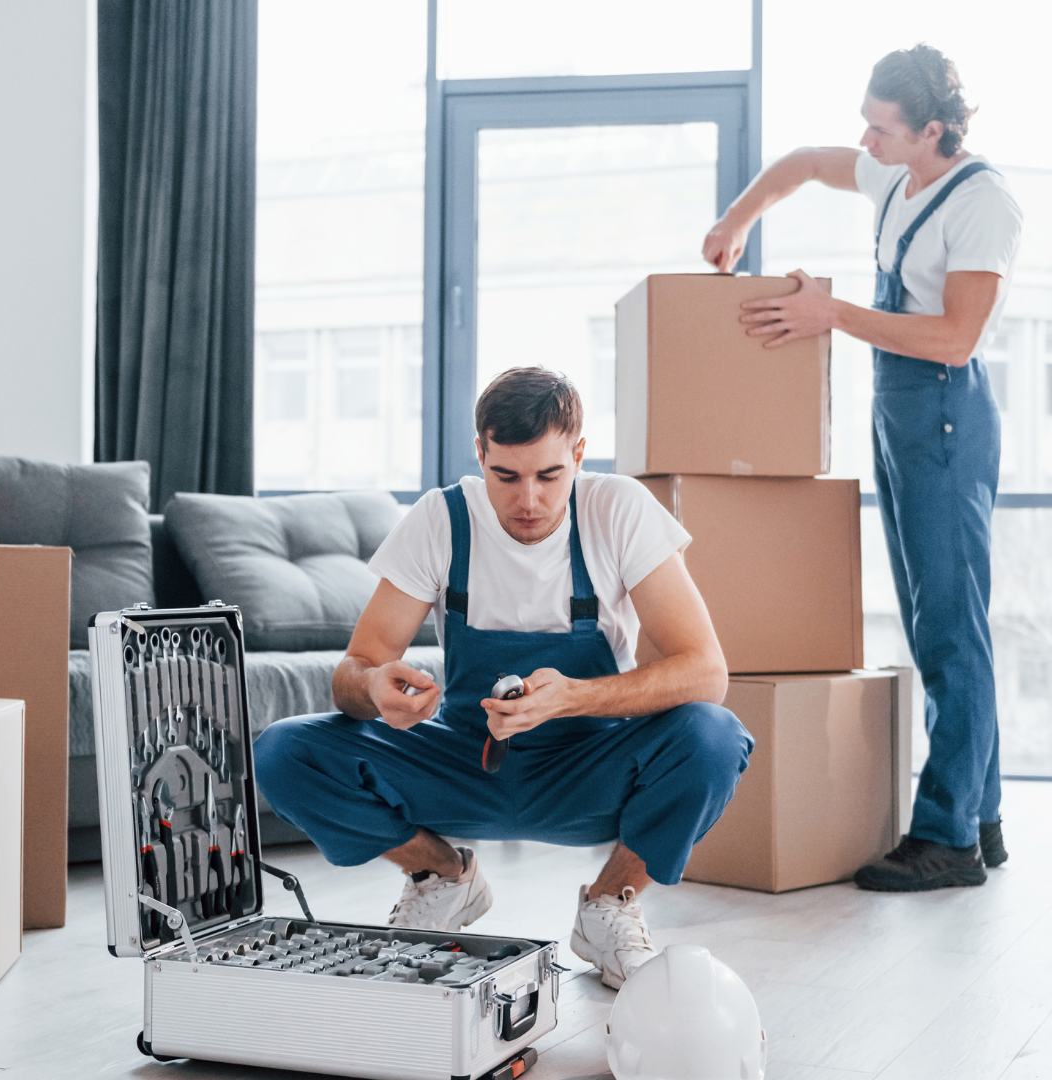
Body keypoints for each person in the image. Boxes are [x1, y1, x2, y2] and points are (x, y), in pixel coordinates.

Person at [254, 367, 753, 988]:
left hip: (588, 767)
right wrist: (377, 688)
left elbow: (707, 670)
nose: (528, 501)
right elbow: (353, 672)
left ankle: (608, 904)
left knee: (712, 737)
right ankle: (441, 877)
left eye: (549, 476)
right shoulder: (440, 519)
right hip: (465, 761)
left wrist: (576, 697)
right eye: (505, 476)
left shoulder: (618, 510)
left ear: (578, 454)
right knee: (283, 752)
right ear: (479, 454)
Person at [702, 44, 1022, 891]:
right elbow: (805, 164)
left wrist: (828, 312)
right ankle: (981, 815)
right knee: (933, 623)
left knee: (953, 628)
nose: (865, 140)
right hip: (898, 410)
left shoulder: (983, 203)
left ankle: (947, 837)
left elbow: (956, 337)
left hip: (947, 413)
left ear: (932, 131)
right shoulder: (892, 175)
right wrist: (737, 220)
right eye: (866, 123)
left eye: (881, 129)